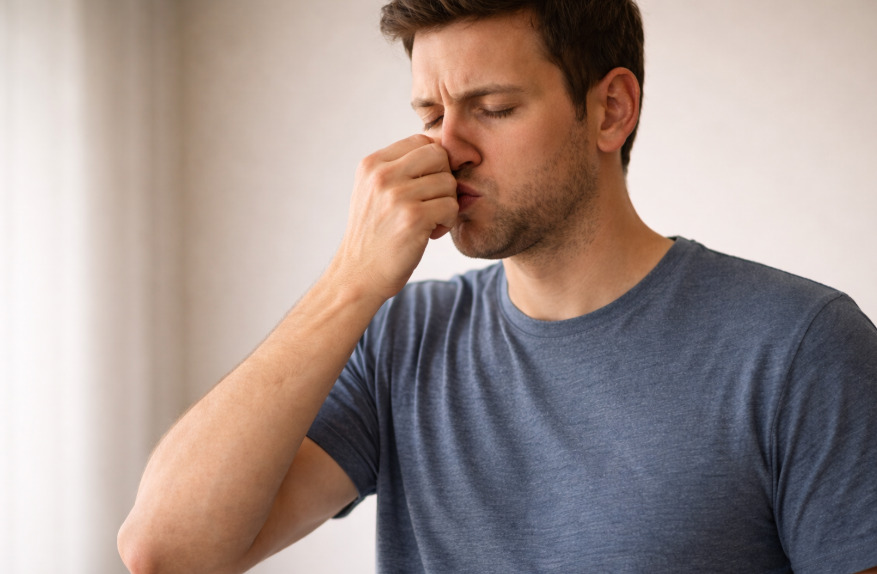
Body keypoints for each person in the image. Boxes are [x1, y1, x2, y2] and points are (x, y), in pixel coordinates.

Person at [118, 1, 877, 572]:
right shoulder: (400, 339)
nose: (447, 149)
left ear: (610, 110)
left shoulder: (800, 346)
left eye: (493, 108)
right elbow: (165, 551)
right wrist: (350, 282)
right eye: (429, 112)